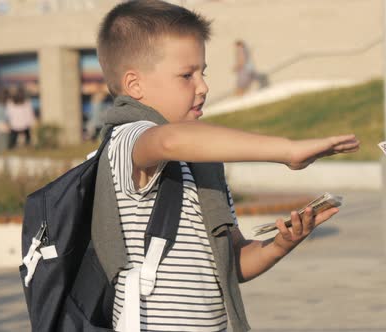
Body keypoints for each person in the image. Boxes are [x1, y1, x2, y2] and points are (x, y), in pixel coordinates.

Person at [95, 1, 360, 331]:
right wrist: (287, 151)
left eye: (202, 73)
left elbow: (232, 262)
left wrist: (280, 245)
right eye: (186, 75)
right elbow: (167, 141)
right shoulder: (127, 139)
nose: (203, 86)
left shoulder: (201, 164)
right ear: (135, 86)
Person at [6, 85, 36, 149]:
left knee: (13, 138)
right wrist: (31, 123)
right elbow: (30, 114)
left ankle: (12, 146)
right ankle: (28, 145)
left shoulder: (10, 103)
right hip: (24, 124)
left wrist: (9, 123)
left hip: (14, 124)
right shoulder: (27, 103)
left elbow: (8, 114)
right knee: (27, 136)